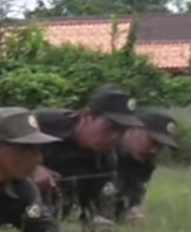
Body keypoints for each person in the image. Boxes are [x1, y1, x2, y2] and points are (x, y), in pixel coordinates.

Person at [33, 85, 142, 224]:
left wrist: (119, 214)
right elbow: (0, 143)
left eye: (121, 131)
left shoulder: (105, 162)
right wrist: (32, 168)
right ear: (86, 116)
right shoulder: (44, 123)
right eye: (111, 128)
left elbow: (94, 207)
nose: (115, 137)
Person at [115, 108, 179, 223]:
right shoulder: (103, 151)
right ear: (134, 129)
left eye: (160, 146)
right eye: (152, 141)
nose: (154, 150)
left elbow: (131, 197)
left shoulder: (145, 164)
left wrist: (129, 211)